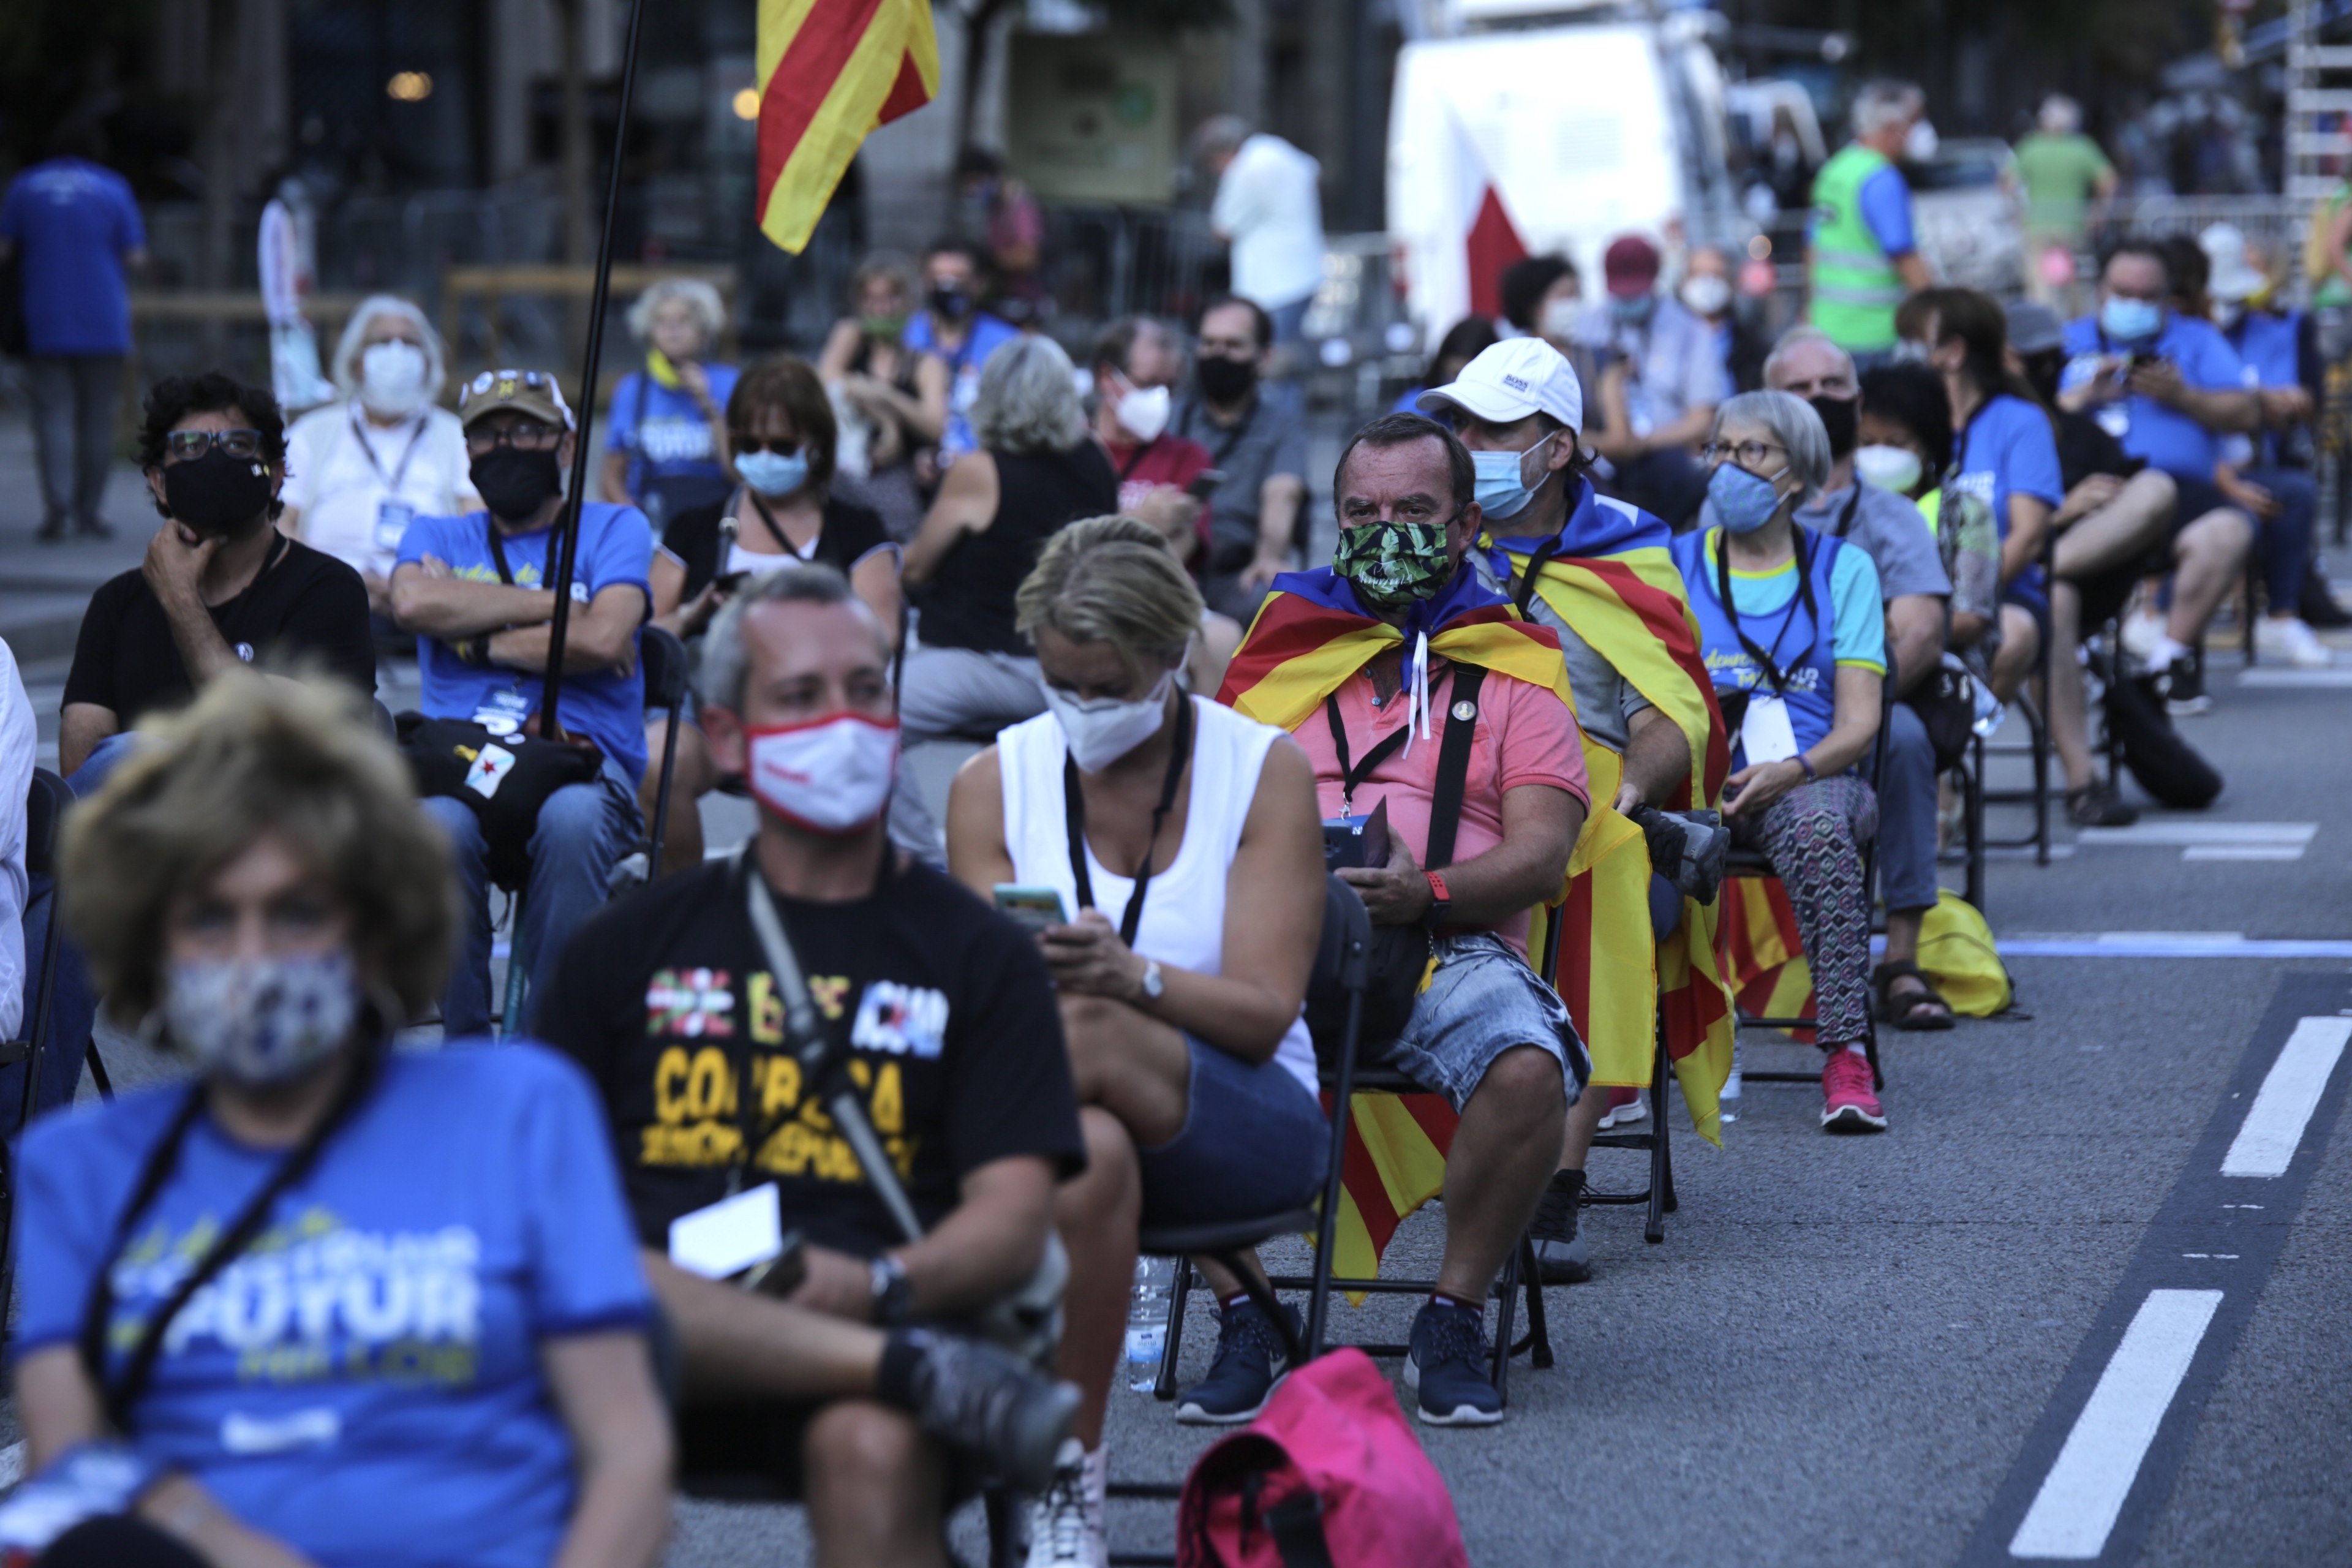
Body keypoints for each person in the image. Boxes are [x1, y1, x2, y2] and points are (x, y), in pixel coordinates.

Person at [9, 673, 671, 1568]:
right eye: (211, 918)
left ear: (374, 925)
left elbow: (627, 1451)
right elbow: (74, 1469)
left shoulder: (523, 1114)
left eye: (297, 912)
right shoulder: (80, 1167)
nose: (255, 956)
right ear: (152, 943)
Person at [539, 567, 1087, 1568]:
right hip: (643, 1345)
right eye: (801, 697)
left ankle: (897, 1370)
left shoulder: (982, 953)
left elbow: (1013, 1224)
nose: (846, 724)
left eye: (867, 690)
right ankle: (907, 1372)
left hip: (889, 1318)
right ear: (730, 736)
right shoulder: (621, 951)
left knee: (870, 1441)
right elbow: (538, 1198)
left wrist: (880, 1284)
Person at [944, 516, 1327, 1556]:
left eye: (1106, 689)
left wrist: (1136, 978)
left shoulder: (1261, 771)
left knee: (1093, 1027)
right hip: (1066, 1142)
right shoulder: (995, 781)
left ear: (1170, 658)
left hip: (1245, 1114)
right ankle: (1066, 1495)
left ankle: (906, 1272)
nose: (1081, 711)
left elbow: (1263, 1014)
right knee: (1091, 1149)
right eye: (1059, 684)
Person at [1219, 412, 1590, 1425]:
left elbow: (1544, 853)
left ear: (1468, 525)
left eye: (1415, 512)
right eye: (1363, 512)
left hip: (1445, 947)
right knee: (1139, 1042)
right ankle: (1246, 1312)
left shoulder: (1517, 662)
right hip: (1281, 940)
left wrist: (1423, 892)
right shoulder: (1281, 650)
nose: (1386, 530)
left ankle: (1454, 1312)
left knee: (1527, 1063)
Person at [1423, 337, 1718, 1282]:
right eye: (1459, 424)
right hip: (1443, 790)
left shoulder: (1628, 547)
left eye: (1492, 428)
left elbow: (1670, 710)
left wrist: (1631, 790)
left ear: (1555, 448)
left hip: (1588, 802)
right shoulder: (1423, 539)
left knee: (1597, 855)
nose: (1466, 442)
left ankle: (1557, 1176)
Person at [388, 369, 650, 1037]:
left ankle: (549, 1045)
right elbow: (414, 602)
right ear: (468, 453)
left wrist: (473, 637)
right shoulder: (437, 535)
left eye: (528, 430)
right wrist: (565, 605)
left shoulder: (616, 526)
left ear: (565, 445)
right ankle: (467, 1049)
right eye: (489, 435)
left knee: (572, 817)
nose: (508, 446)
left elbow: (605, 639)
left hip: (581, 763)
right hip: (464, 765)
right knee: (437, 826)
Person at [1673, 392, 1888, 1129]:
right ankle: (1626, 1059)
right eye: (1719, 449)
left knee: (1821, 829)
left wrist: (1790, 773)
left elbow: (1861, 723)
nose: (1729, 466)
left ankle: (1844, 1052)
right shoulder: (1675, 563)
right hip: (1699, 781)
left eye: (1751, 452)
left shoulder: (1843, 568)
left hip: (1812, 779)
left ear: (1798, 474)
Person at [1763, 330, 1954, 1032]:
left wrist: (1839, 700)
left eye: (1831, 387)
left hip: (1860, 709)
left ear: (1858, 401)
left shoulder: (1890, 514)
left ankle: (1899, 959)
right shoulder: (1729, 512)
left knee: (1899, 739)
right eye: (1799, 389)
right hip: (1748, 712)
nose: (1817, 400)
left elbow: (1920, 634)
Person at [61, 372, 375, 793]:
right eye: (189, 448)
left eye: (238, 446)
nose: (214, 460)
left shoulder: (328, 589)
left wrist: (179, 599)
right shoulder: (117, 603)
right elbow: (85, 775)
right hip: (145, 840)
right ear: (159, 482)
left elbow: (283, 741)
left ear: (276, 475)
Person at [647, 356, 901, 871]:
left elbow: (883, 636)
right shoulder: (695, 527)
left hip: (820, 712)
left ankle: (824, 905)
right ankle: (688, 907)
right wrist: (695, 615)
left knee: (855, 757)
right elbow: (647, 636)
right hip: (711, 715)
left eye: (782, 446)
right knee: (655, 761)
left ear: (816, 444)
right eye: (749, 445)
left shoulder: (855, 529)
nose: (764, 457)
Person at [897, 336, 1120, 858]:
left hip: (993, 660)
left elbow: (915, 567)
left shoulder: (981, 469)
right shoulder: (1094, 459)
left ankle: (922, 863)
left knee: (863, 713)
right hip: (1076, 659)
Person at [2059, 240, 2258, 715]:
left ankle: (2169, 661)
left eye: (2148, 296)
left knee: (2231, 528)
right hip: (2089, 495)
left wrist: (2183, 396)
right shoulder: (2067, 341)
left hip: (2182, 496)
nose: (2135, 304)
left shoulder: (2197, 339)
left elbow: (2247, 411)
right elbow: (2024, 415)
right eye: (2124, 292)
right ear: (2100, 289)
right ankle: (2073, 656)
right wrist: (2081, 399)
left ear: (2169, 295)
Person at [2005, 300, 2179, 827]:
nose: (2046, 371)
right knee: (2051, 597)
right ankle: (2084, 782)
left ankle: (2044, 568)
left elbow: (2136, 505)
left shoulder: (2077, 429)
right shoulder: (1981, 430)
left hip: (2075, 573)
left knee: (2155, 487)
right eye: (2031, 360)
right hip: (2003, 580)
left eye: (2054, 360)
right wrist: (2059, 515)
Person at [279, 295, 480, 632]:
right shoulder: (312, 433)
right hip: (325, 590)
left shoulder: (457, 435)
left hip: (427, 595)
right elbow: (280, 524)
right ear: (357, 360)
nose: (397, 352)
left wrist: (409, 582)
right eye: (383, 341)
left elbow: (477, 526)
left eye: (410, 342)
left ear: (429, 361)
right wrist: (346, 578)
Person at [1901, 289, 2058, 705]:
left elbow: (2028, 538)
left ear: (1952, 352)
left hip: (2003, 595)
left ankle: (1948, 755)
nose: (1902, 350)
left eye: (1913, 338)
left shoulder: (2020, 422)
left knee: (2014, 634)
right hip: (1906, 595)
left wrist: (1965, 598)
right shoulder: (1902, 425)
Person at [0, 122, 147, 543]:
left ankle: (58, 509)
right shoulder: (113, 188)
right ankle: (90, 512)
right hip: (103, 320)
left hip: (45, 317)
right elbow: (134, 256)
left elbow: (5, 249)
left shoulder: (25, 186)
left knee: (53, 415)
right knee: (98, 419)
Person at [2203, 225, 2328, 667]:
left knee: (2293, 492)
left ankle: (2280, 614)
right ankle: (2157, 614)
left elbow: (2299, 400)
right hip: (2197, 476)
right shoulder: (2187, 336)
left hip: (2248, 464)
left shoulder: (2281, 326)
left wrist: (2280, 402)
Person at [1172, 296, 1310, 621]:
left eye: (1233, 345)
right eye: (1208, 343)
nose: (1218, 355)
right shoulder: (1174, 416)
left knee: (1274, 601)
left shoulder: (1281, 421)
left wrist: (1268, 558)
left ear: (1264, 357)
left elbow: (1283, 494)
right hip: (1174, 567)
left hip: (1237, 573)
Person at [1581, 234, 1728, 530]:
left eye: (1635, 291)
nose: (1629, 300)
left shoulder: (1688, 328)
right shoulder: (1589, 325)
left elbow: (1703, 418)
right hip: (1602, 454)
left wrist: (1640, 444)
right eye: (1622, 293)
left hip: (1664, 456)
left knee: (1686, 481)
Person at [818, 253, 951, 543]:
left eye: (892, 298)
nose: (881, 309)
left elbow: (936, 425)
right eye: (871, 299)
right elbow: (827, 387)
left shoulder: (926, 363)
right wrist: (888, 422)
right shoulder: (851, 338)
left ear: (909, 302)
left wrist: (884, 395)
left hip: (898, 487)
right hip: (843, 476)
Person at [1807, 80, 1933, 366]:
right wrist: (1943, 315)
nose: (1914, 134)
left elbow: (1812, 246)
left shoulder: (1834, 170)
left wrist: (1810, 313)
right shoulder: (1882, 179)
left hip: (1830, 329)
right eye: (1911, 125)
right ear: (1891, 130)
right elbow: (1905, 258)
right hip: (1876, 335)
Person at [601, 277, 741, 530]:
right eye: (661, 321)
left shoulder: (729, 384)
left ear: (705, 332)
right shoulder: (632, 390)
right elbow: (611, 477)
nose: (672, 330)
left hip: (716, 521)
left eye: (684, 320)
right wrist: (633, 522)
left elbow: (737, 472)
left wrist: (708, 406)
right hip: (653, 522)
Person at [1193, 116, 1325, 345]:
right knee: (1291, 357)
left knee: (1273, 365)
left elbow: (1223, 230)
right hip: (1305, 272)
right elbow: (1314, 172)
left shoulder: (1246, 168)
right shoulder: (1274, 148)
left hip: (1273, 285)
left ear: (1221, 154)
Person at [1089, 317, 1212, 559]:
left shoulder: (1188, 458)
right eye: (1149, 384)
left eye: (1170, 387)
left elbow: (1177, 558)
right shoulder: (1068, 451)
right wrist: (1141, 521)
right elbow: (1057, 544)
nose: (1161, 398)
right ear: (1107, 377)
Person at [905, 239, 1023, 464]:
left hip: (985, 465)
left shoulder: (1007, 342)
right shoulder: (907, 337)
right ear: (924, 282)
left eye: (958, 278)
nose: (947, 286)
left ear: (979, 284)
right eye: (937, 277)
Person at [2013, 96, 2117, 307]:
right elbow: (2108, 181)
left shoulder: (2030, 147)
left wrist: (2017, 212)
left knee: (2040, 285)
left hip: (2038, 225)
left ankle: (2045, 327)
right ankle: (2077, 326)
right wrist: (2099, 211)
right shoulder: (2083, 147)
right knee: (2076, 285)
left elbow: (2007, 183)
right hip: (2074, 224)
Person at [955, 146, 1046, 322]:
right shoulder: (995, 208)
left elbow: (1028, 257)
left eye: (974, 181)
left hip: (1023, 302)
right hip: (1003, 299)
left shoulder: (1020, 207)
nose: (971, 190)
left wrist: (987, 260)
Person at [1683, 243, 1770, 393]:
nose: (1707, 283)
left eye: (1717, 275)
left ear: (1732, 282)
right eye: (1698, 274)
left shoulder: (1754, 348)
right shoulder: (1664, 343)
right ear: (1684, 282)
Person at [1390, 315, 1501, 414]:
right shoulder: (1417, 406)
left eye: (1470, 378)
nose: (1459, 383)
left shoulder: (1499, 411)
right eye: (1455, 374)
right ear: (1441, 366)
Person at [1499, 254, 1583, 355]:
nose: (1572, 302)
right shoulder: (1516, 360)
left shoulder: (1594, 359)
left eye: (1575, 294)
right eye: (1564, 294)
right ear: (1535, 307)